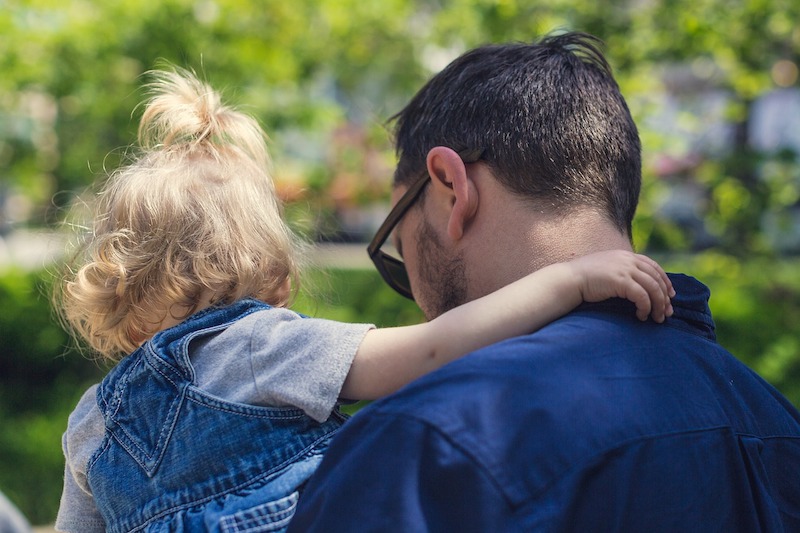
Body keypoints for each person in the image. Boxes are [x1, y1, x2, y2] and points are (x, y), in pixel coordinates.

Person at [53, 67, 674, 532]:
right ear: (271, 272)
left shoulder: (91, 421)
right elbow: (433, 350)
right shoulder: (264, 347)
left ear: (115, 290)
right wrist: (569, 281)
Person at [289, 32, 800, 532]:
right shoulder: (776, 421)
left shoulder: (432, 442)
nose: (418, 299)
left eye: (400, 251)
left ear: (450, 186)